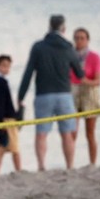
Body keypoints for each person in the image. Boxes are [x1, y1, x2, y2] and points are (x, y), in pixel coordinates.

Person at [17, 15, 84, 171]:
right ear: (64, 29)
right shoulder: (68, 47)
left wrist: (20, 96)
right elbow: (79, 73)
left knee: (41, 133)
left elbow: (28, 73)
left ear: (49, 27)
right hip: (64, 95)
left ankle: (41, 166)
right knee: (67, 133)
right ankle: (70, 166)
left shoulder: (38, 47)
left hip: (43, 95)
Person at [69, 27, 100, 166]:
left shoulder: (94, 57)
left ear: (87, 40)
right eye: (76, 38)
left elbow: (98, 81)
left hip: (89, 93)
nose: (79, 41)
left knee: (90, 133)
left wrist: (85, 81)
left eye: (82, 38)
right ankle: (70, 163)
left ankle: (92, 163)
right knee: (72, 132)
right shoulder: (69, 56)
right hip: (73, 92)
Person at [0, 55, 22, 175]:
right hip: (6, 119)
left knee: (1, 148)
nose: (6, 68)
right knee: (14, 149)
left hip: (2, 118)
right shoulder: (0, 82)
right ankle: (19, 171)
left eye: (8, 66)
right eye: (3, 65)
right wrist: (1, 120)